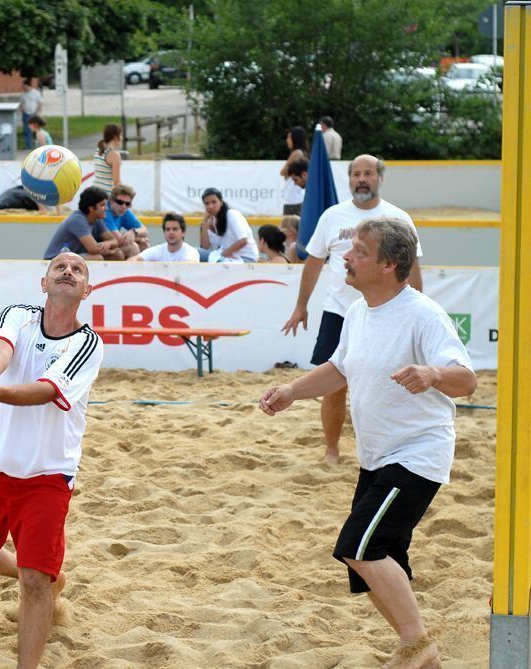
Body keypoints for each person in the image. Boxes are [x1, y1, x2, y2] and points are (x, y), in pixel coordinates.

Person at [260, 217, 476, 669]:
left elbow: (467, 380)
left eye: (359, 250)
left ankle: (418, 647)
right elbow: (339, 369)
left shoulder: (423, 314)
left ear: (389, 265)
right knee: (371, 569)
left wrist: (433, 374)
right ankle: (423, 657)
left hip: (418, 454)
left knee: (357, 547)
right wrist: (291, 393)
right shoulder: (358, 311)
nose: (346, 256)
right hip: (377, 456)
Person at [0, 252, 103, 669]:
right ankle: (50, 576)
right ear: (44, 282)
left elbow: (47, 390)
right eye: (59, 267)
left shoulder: (88, 343)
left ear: (87, 290)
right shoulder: (20, 315)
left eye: (77, 269)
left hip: (48, 475)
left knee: (34, 582)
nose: (67, 271)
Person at [282, 155, 424, 464]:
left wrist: (413, 312)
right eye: (356, 173)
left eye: (368, 173)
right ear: (349, 180)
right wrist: (301, 305)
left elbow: (413, 268)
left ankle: (388, 448)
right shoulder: (332, 216)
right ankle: (332, 450)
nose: (362, 178)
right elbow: (314, 262)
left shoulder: (398, 218)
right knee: (333, 385)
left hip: (385, 315)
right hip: (339, 312)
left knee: (388, 383)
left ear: (379, 178)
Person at [42, 186, 121, 261]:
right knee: (97, 258)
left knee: (118, 254)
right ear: (91, 208)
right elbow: (93, 249)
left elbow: (114, 240)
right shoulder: (77, 219)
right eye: (102, 205)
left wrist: (107, 244)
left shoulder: (97, 218)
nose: (106, 208)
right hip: (53, 260)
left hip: (73, 257)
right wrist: (108, 248)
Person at [198, 187, 258, 263]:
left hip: (246, 258)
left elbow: (243, 240)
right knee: (196, 253)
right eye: (207, 203)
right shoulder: (213, 220)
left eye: (214, 202)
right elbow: (205, 247)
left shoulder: (232, 214)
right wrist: (204, 223)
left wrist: (224, 254)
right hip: (226, 257)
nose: (210, 206)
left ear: (221, 202)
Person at [129, 213, 199, 262]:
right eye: (168, 229)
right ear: (164, 232)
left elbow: (191, 267)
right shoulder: (158, 250)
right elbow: (133, 260)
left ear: (183, 232)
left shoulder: (191, 251)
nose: (171, 232)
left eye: (175, 229)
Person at [103, 184, 149, 258]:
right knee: (132, 247)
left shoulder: (125, 210)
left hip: (113, 244)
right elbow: (119, 239)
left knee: (144, 244)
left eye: (127, 204)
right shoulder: (105, 211)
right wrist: (138, 238)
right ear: (111, 201)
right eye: (120, 202)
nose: (123, 206)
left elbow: (145, 230)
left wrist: (133, 232)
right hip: (100, 247)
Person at [280, 127, 309, 216]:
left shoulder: (296, 153)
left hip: (292, 197)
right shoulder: (304, 153)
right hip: (297, 196)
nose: (287, 140)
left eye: (289, 137)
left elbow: (282, 172)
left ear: (295, 138)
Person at [92, 124, 123, 195]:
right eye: (121, 135)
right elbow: (116, 182)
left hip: (95, 191)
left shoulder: (98, 149)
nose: (122, 138)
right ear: (115, 137)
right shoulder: (114, 155)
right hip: (106, 195)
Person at [20, 77, 44, 150]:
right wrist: (22, 110)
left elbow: (40, 103)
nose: (22, 87)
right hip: (26, 114)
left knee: (35, 130)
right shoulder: (23, 94)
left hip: (34, 114)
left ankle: (37, 144)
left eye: (23, 86)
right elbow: (21, 104)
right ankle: (28, 145)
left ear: (27, 85)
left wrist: (38, 112)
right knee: (26, 130)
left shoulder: (36, 93)